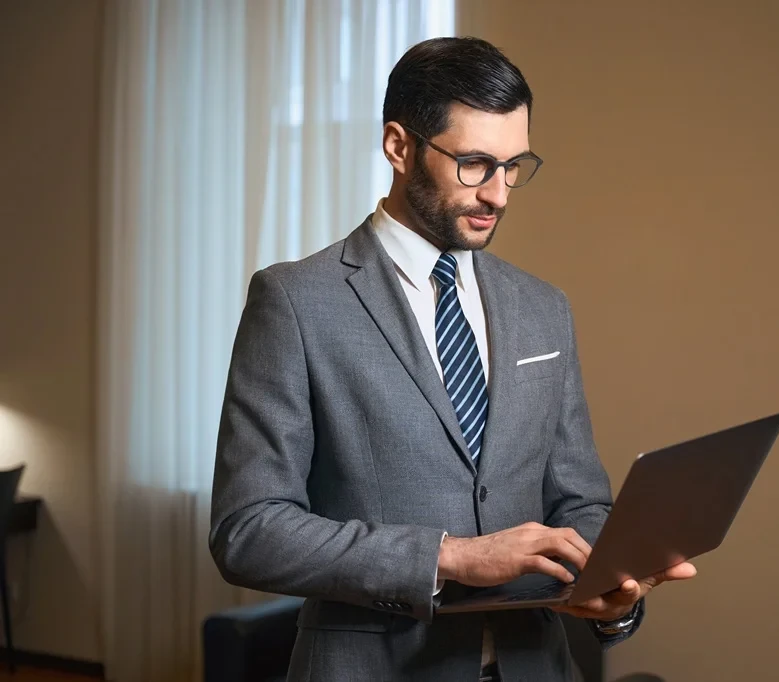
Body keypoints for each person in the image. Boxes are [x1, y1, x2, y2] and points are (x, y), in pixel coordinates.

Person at [209, 36, 696, 682]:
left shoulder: (544, 308)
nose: (498, 194)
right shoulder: (295, 302)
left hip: (536, 666)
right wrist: (449, 558)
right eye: (474, 164)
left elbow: (578, 500)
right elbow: (248, 530)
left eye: (512, 166)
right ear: (399, 147)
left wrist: (610, 589)